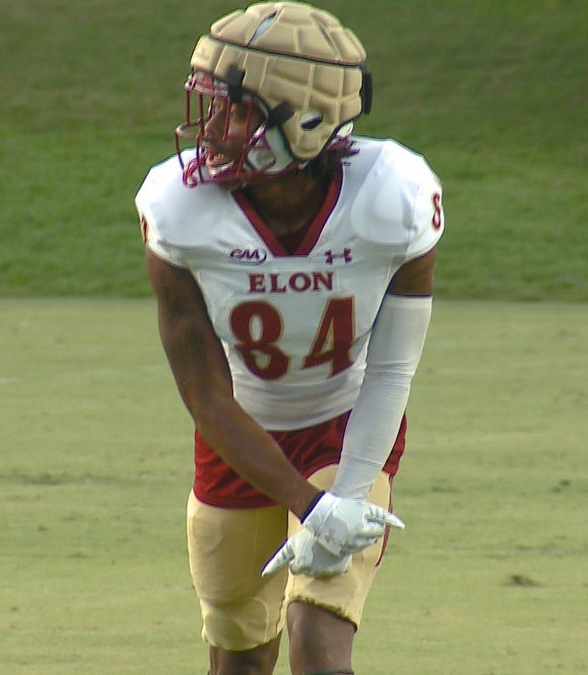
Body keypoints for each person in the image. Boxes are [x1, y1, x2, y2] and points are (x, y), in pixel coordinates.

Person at [135, 3, 444, 673]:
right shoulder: (177, 209)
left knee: (317, 637)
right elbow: (204, 392)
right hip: (238, 430)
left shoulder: (391, 199)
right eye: (211, 105)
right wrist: (306, 503)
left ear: (303, 123)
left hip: (347, 423)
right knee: (239, 655)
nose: (212, 128)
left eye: (238, 111)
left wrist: (350, 492)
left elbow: (392, 369)